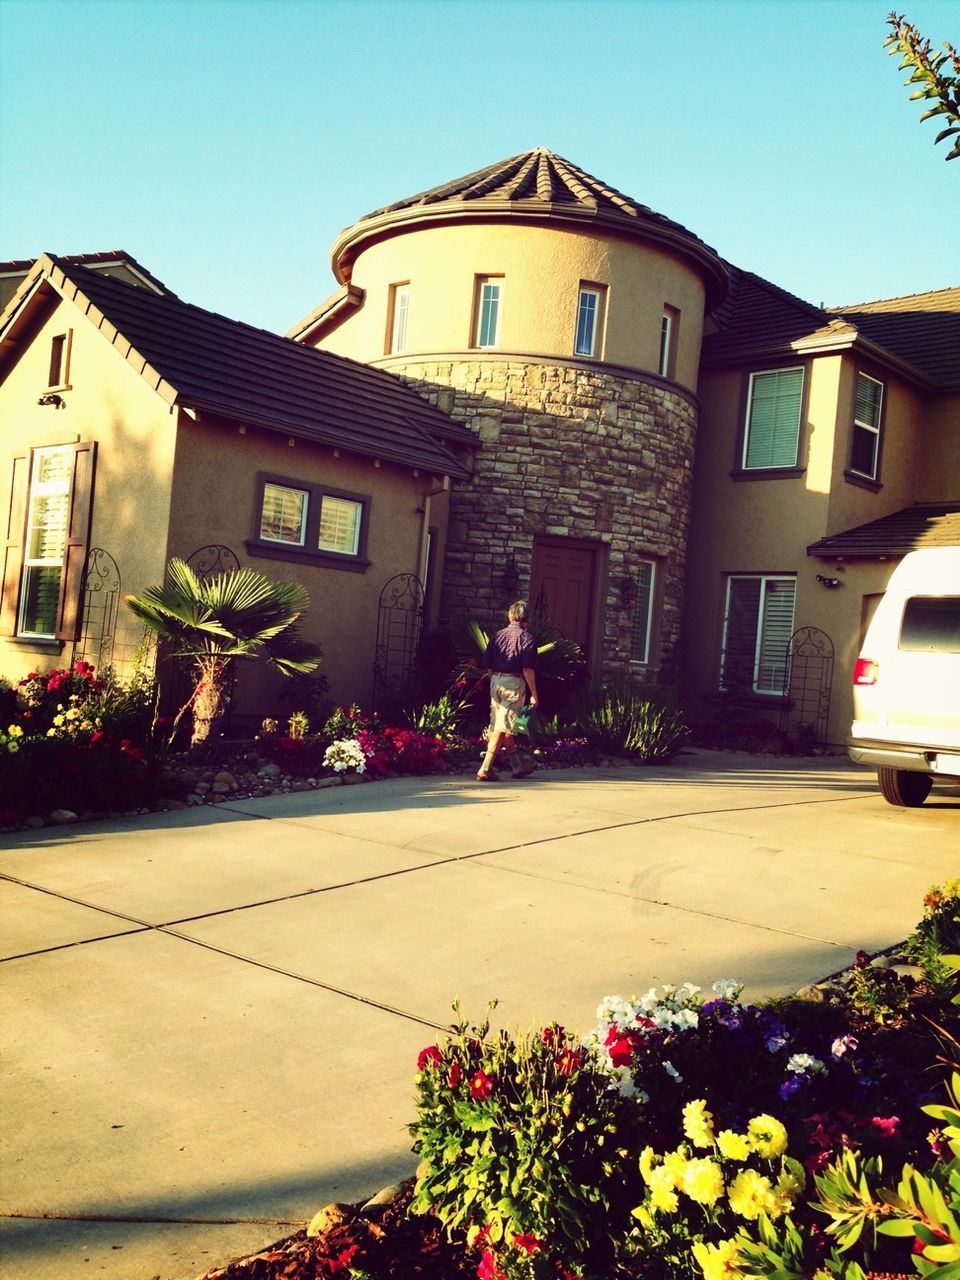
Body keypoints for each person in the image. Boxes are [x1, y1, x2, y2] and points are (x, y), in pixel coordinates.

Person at [477, 600, 539, 781]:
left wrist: (494, 681)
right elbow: (527, 669)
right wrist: (534, 694)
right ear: (526, 619)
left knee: (502, 725)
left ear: (510, 616)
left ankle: (517, 767)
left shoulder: (498, 636)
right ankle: (485, 769)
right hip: (514, 683)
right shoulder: (527, 638)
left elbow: (487, 665)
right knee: (502, 729)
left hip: (495, 681)